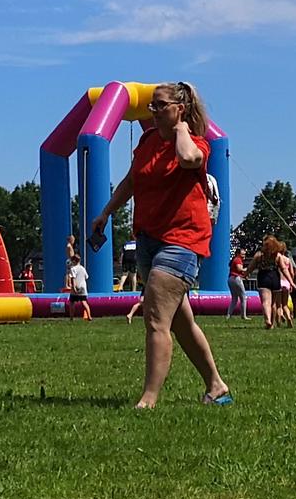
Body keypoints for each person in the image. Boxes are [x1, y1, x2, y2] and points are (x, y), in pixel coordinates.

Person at [89, 81, 232, 408]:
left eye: (160, 106)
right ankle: (216, 385)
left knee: (154, 318)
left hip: (183, 239)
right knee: (181, 323)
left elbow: (188, 159)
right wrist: (105, 213)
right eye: (151, 105)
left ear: (179, 109)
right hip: (149, 239)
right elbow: (132, 180)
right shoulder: (148, 140)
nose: (152, 111)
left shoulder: (196, 143)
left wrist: (181, 129)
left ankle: (148, 400)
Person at [253, 236, 288, 328]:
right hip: (275, 278)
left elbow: (251, 267)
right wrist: (291, 281)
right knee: (273, 303)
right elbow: (284, 269)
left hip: (263, 277)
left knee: (266, 301)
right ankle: (272, 324)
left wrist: (245, 274)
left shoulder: (259, 255)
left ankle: (267, 320)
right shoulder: (278, 256)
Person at [67, 250, 91, 321]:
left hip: (76, 286)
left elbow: (73, 278)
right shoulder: (82, 268)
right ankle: (89, 316)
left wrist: (74, 287)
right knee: (84, 302)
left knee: (72, 302)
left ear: (74, 261)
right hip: (83, 286)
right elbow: (86, 277)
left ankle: (71, 317)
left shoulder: (73, 269)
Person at [226, 249, 249, 320]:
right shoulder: (238, 260)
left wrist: (244, 275)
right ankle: (243, 316)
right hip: (236, 279)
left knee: (234, 298)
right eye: (242, 254)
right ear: (238, 254)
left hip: (230, 279)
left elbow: (238, 271)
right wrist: (247, 269)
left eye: (244, 254)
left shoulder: (235, 260)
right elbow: (239, 269)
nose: (244, 256)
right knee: (243, 297)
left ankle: (228, 315)